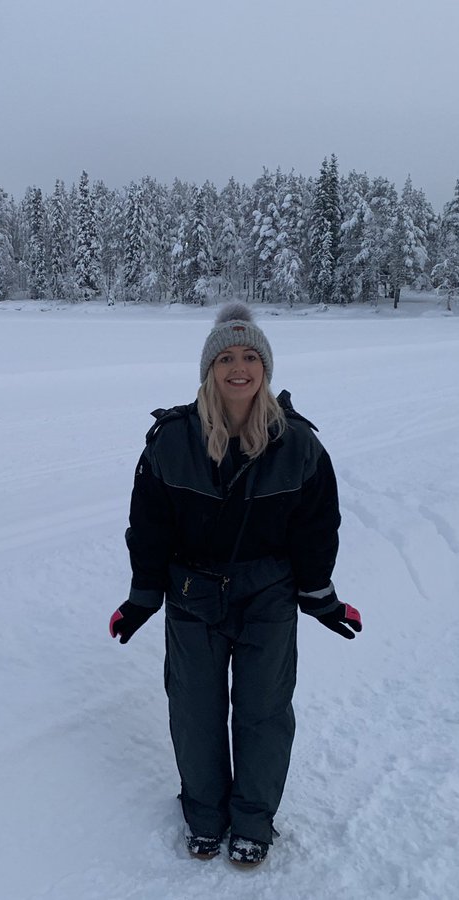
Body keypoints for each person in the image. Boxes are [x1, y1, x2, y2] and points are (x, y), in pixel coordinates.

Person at [109, 301, 362, 868]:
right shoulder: (170, 441)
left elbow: (318, 531)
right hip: (193, 595)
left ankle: (252, 820)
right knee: (194, 710)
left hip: (268, 594)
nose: (238, 367)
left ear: (266, 368)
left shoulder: (299, 445)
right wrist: (142, 597)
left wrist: (320, 598)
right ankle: (204, 814)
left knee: (264, 710)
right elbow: (147, 527)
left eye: (250, 356)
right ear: (209, 370)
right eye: (225, 357)